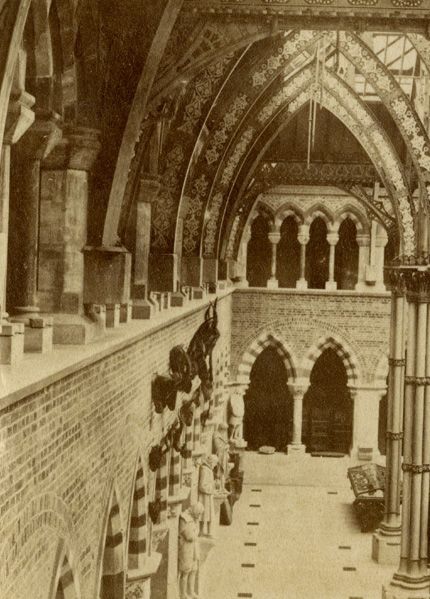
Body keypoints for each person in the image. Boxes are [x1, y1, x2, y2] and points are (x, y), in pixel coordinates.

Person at [178, 503, 204, 599]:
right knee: (186, 571)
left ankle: (191, 591)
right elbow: (189, 536)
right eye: (198, 514)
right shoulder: (184, 518)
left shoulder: (194, 518)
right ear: (194, 511)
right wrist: (195, 533)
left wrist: (195, 533)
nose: (199, 516)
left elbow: (197, 531)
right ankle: (183, 594)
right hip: (186, 549)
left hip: (194, 548)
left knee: (193, 570)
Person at [198, 454, 218, 537]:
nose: (215, 465)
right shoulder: (205, 470)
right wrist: (211, 490)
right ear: (211, 462)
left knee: (209, 514)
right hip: (204, 496)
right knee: (204, 514)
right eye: (215, 463)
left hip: (208, 496)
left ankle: (209, 532)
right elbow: (202, 486)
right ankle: (201, 531)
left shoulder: (208, 469)